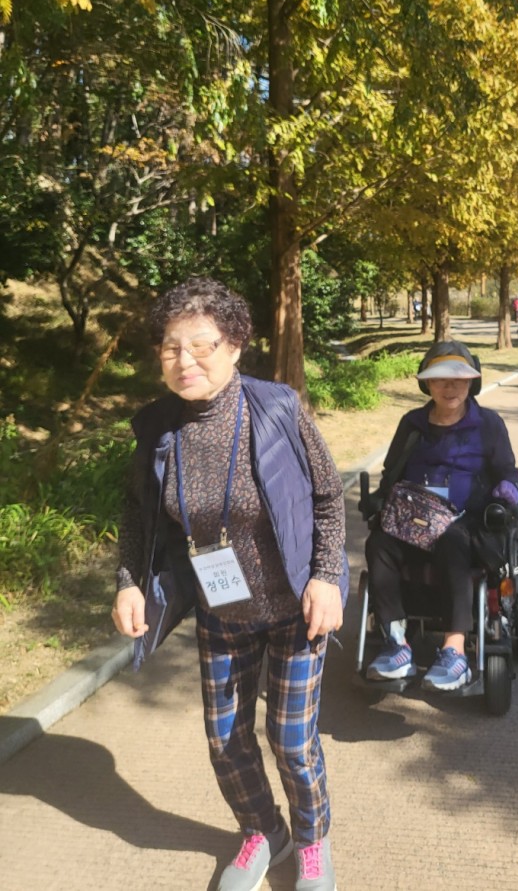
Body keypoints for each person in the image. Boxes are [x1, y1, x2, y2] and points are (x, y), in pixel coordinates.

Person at [111, 277, 346, 891]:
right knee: (225, 741)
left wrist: (327, 577)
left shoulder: (277, 409)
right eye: (171, 348)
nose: (184, 360)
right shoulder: (157, 427)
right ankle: (264, 831)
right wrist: (130, 582)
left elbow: (328, 496)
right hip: (223, 609)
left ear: (235, 346)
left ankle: (312, 841)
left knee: (291, 741)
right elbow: (138, 513)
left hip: (295, 605)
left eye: (201, 345)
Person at [364, 341, 518, 690]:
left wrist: (507, 492)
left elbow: (509, 473)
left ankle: (454, 651)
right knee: (379, 543)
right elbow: (392, 474)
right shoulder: (412, 423)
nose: (450, 388)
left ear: (471, 383)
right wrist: (379, 499)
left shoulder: (488, 424)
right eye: (440, 380)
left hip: (464, 523)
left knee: (451, 539)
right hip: (414, 521)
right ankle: (396, 644)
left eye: (458, 380)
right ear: (427, 384)